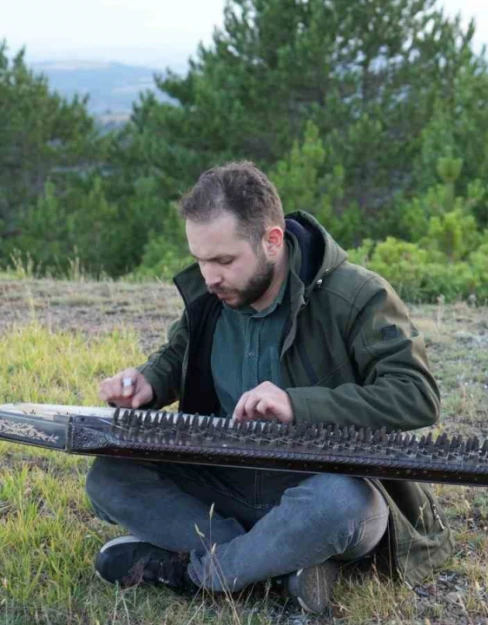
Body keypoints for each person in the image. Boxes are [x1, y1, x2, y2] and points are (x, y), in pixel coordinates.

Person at [89, 161, 452, 614]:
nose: (209, 277)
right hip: (225, 480)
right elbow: (175, 355)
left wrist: (296, 405)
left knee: (342, 506)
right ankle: (281, 566)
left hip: (319, 487)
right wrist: (146, 383)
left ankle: (197, 572)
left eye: (223, 260)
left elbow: (417, 395)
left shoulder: (357, 295)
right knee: (110, 477)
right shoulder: (213, 297)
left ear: (272, 240)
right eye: (200, 260)